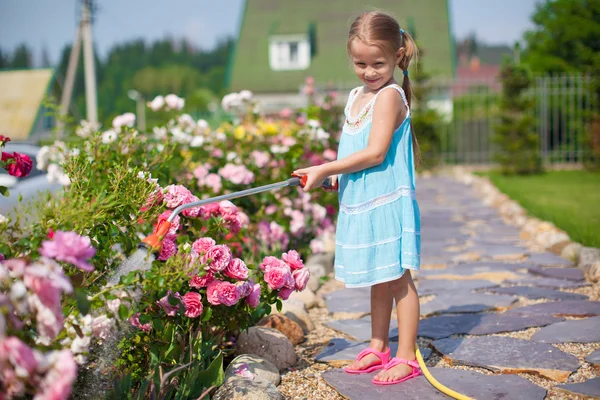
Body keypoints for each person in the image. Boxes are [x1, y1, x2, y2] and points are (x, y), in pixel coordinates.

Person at [293, 10, 422, 385]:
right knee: (377, 278)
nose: (368, 71)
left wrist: (326, 168)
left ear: (398, 56)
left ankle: (406, 355)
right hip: (362, 203)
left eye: (378, 63)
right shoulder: (356, 97)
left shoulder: (389, 97)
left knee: (398, 279)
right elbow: (353, 149)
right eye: (360, 63)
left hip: (386, 204)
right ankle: (378, 346)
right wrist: (335, 178)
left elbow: (376, 152)